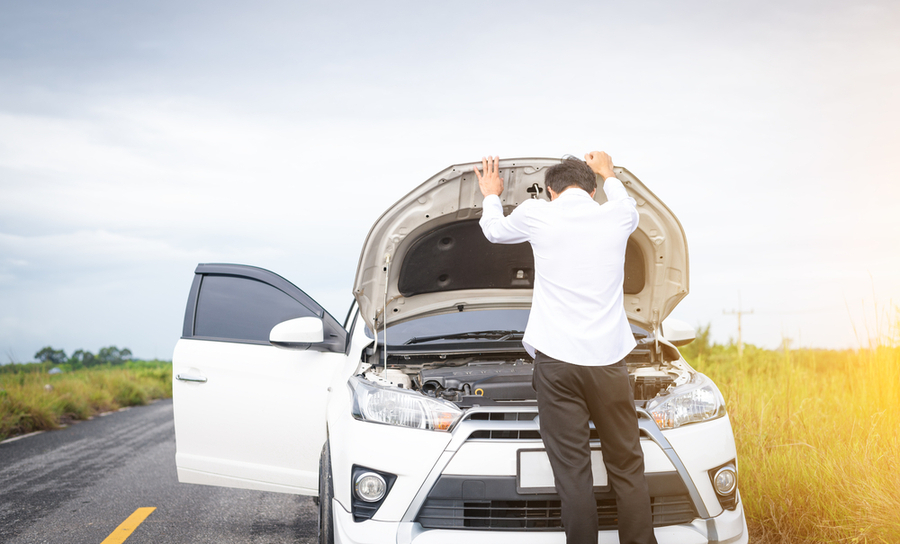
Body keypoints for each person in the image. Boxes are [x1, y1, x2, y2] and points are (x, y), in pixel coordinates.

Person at [475, 152, 657, 544]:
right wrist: (608, 172)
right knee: (627, 467)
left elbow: (493, 231)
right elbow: (623, 199)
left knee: (573, 474)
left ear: (552, 191)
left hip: (557, 365)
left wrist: (492, 193)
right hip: (609, 363)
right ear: (593, 191)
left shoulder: (537, 212)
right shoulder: (618, 214)